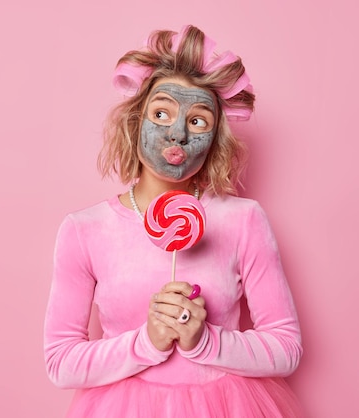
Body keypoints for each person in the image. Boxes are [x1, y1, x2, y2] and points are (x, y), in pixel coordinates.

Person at [43, 25, 303, 417]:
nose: (177, 133)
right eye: (161, 113)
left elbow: (286, 347)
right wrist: (148, 342)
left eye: (198, 121)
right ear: (136, 122)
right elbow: (61, 363)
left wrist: (206, 341)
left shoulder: (244, 220)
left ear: (216, 138)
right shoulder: (84, 231)